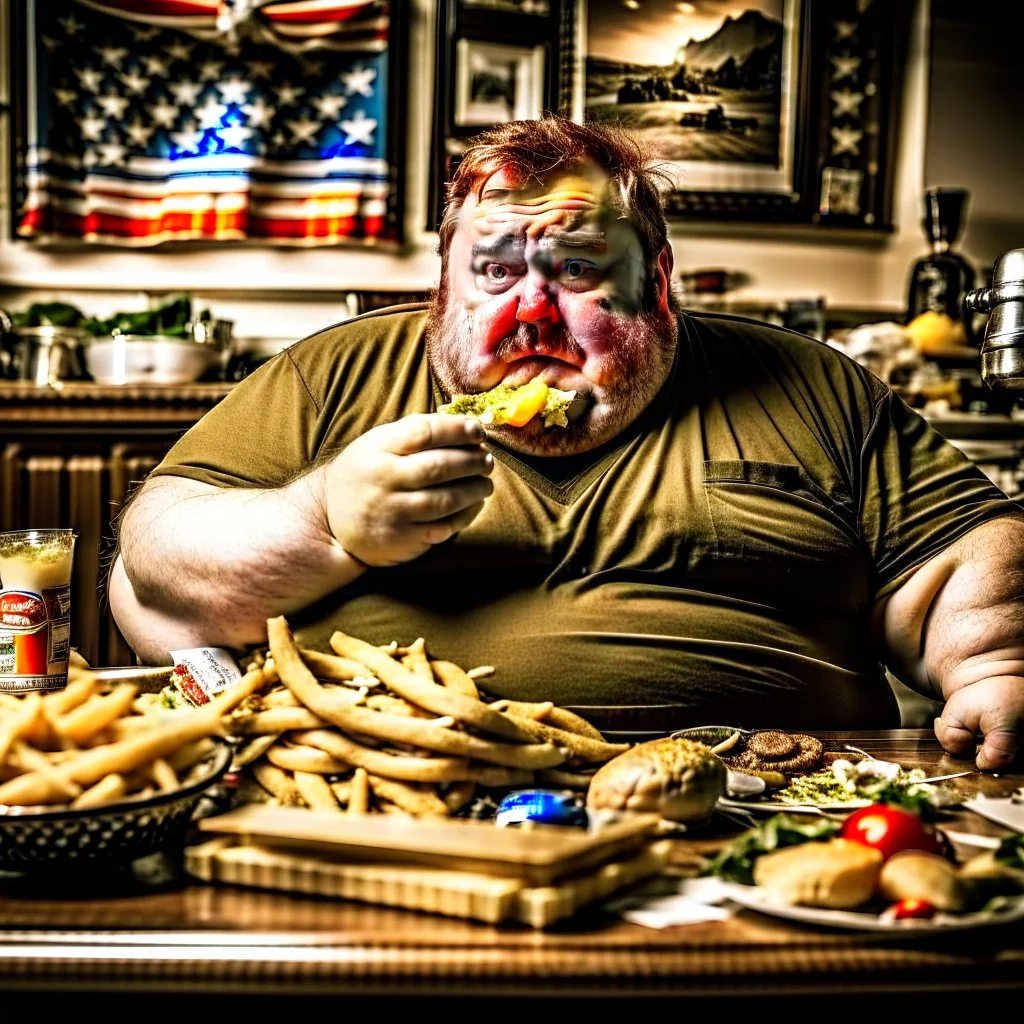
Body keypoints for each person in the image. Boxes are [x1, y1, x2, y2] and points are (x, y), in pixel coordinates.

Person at [110, 117, 1024, 769]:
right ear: (444, 287)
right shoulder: (333, 374)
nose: (530, 310)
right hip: (381, 790)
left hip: (778, 799)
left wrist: (993, 664)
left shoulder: (812, 383)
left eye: (579, 269)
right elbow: (154, 563)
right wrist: (323, 521)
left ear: (659, 279)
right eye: (495, 272)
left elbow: (962, 555)